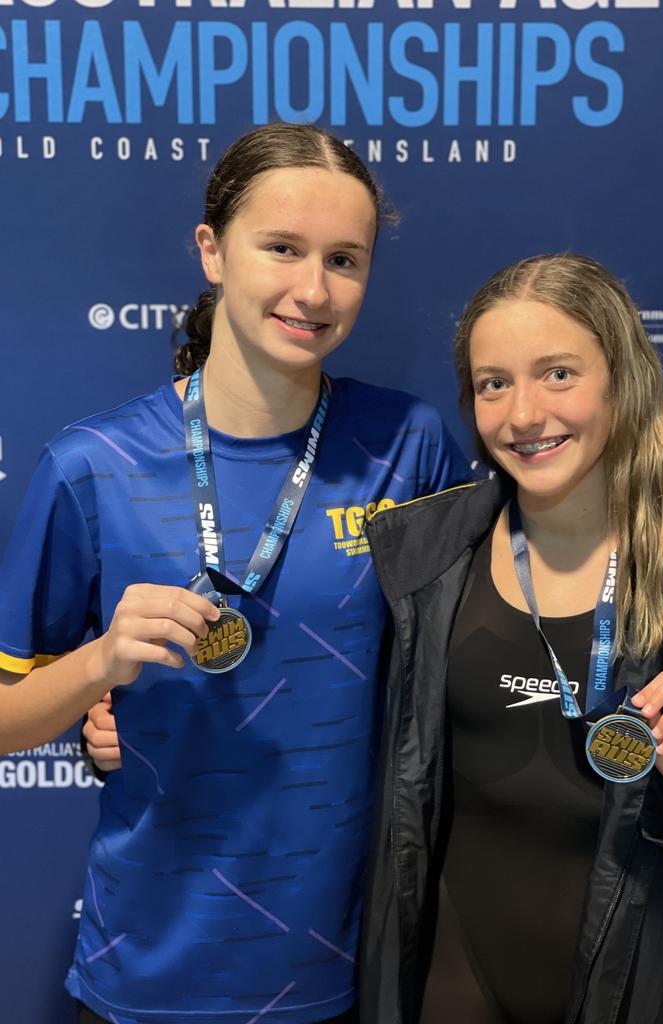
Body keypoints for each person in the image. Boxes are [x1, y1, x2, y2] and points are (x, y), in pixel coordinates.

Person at [0, 123, 468, 1024]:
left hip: (346, 972)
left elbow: (466, 664)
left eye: (345, 259)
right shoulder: (91, 466)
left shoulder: (405, 449)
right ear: (212, 251)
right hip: (146, 972)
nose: (313, 289)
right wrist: (98, 667)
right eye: (282, 248)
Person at [358, 253, 663, 1024]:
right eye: (493, 383)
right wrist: (122, 724)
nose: (522, 415)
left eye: (557, 374)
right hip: (451, 986)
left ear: (623, 380)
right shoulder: (419, 559)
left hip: (642, 995)